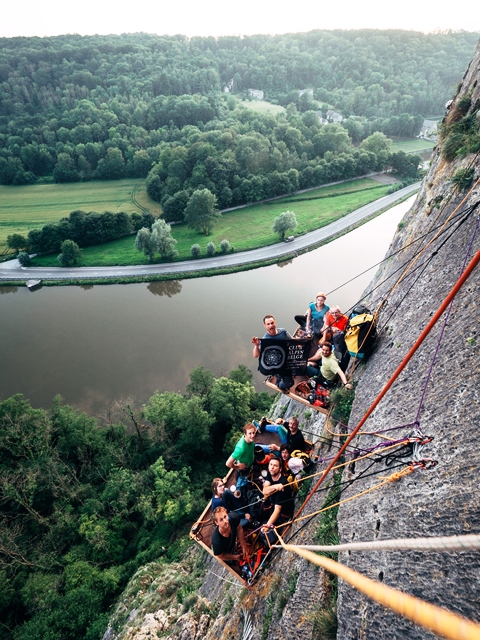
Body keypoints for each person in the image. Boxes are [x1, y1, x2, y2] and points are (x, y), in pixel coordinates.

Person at [252, 315, 294, 392]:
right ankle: (279, 384)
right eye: (268, 324)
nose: (271, 326)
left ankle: (278, 376)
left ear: (275, 322)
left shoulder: (283, 332)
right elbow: (256, 355)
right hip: (275, 364)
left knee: (292, 378)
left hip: (285, 361)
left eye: (272, 323)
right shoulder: (265, 340)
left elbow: (292, 341)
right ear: (264, 325)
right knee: (289, 383)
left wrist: (302, 340)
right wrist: (256, 345)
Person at [260, 457, 296, 545]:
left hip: (284, 514)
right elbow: (264, 491)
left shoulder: (283, 485)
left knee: (262, 523)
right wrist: (275, 486)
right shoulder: (270, 473)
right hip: (274, 502)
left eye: (275, 466)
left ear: (280, 469)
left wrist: (267, 526)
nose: (272, 467)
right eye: (271, 465)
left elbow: (277, 510)